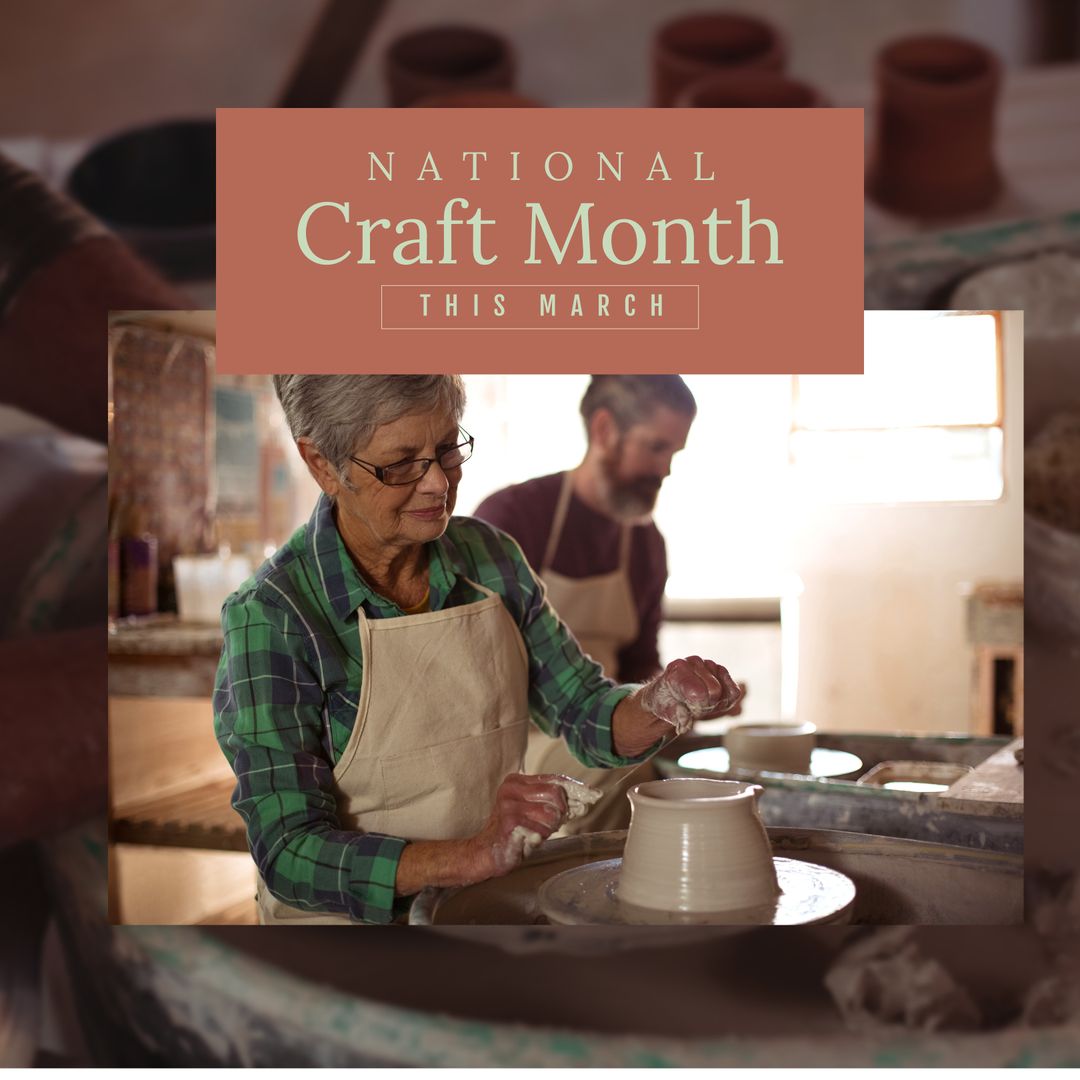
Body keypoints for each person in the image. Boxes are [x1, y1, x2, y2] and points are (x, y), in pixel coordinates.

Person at [213, 375, 742, 924]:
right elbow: (289, 851)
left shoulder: (490, 558)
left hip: (474, 906)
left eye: (447, 449)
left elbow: (585, 712)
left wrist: (657, 702)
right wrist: (469, 855)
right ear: (322, 463)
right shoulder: (273, 615)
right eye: (401, 463)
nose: (437, 483)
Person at [474, 375, 700, 832]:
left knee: (675, 780)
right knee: (627, 769)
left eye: (674, 454)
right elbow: (475, 668)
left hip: (604, 727)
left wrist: (684, 698)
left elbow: (641, 664)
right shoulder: (512, 520)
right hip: (519, 740)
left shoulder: (646, 546)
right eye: (656, 448)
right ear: (603, 431)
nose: (666, 470)